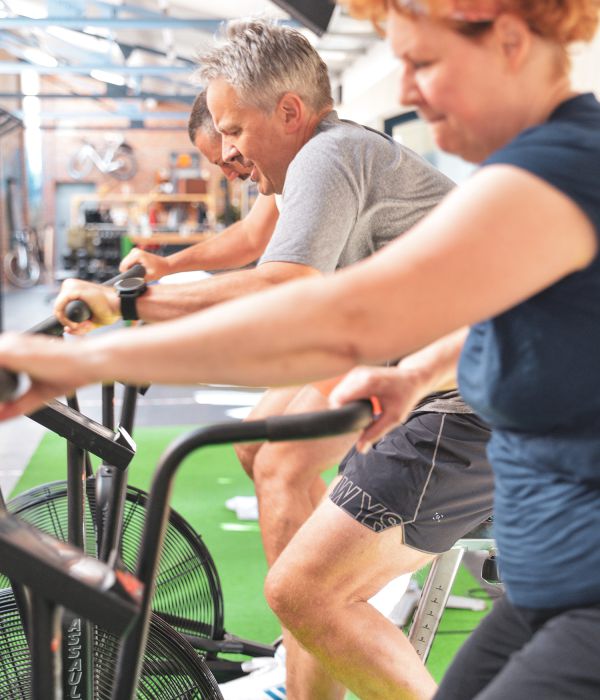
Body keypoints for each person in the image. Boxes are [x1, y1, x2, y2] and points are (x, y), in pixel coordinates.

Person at [10, 1, 600, 695]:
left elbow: (332, 314)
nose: (404, 90)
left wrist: (87, 353)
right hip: (544, 580)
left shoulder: (555, 170)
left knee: (304, 586)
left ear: (507, 41)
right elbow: (495, 313)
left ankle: (312, 655)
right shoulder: (528, 166)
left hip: (574, 580)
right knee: (271, 469)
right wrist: (414, 373)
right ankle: (312, 651)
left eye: (423, 64)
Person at [119, 90, 279, 282]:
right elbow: (250, 236)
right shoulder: (278, 178)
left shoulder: (306, 162)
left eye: (228, 161)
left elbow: (277, 279)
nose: (229, 175)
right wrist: (167, 265)